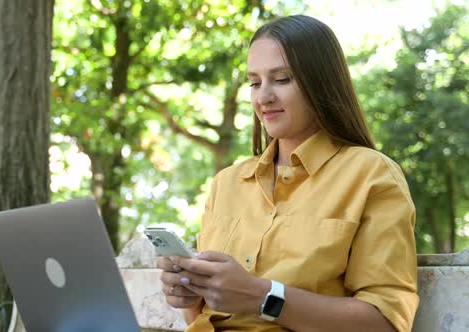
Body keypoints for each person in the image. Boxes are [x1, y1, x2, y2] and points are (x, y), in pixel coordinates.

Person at [156, 15, 419, 332]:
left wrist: (263, 296)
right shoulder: (225, 184)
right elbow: (203, 316)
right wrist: (188, 292)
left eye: (281, 79)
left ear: (320, 83)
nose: (263, 97)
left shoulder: (371, 175)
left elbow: (385, 322)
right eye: (255, 82)